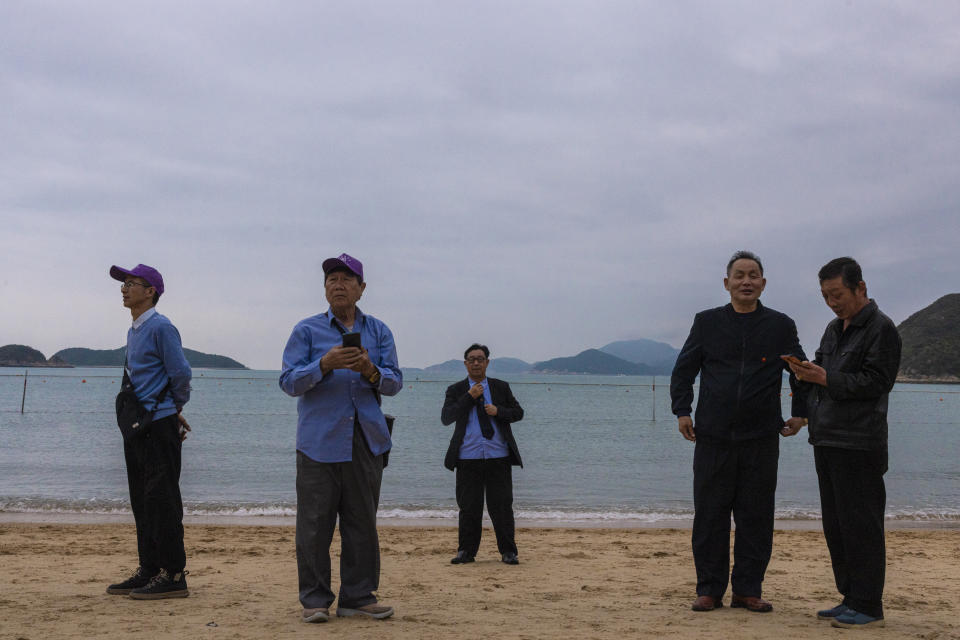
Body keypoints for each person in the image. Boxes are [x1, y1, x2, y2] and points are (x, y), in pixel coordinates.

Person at [670, 251, 807, 613]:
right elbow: (684, 370)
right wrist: (682, 410)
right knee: (711, 515)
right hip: (712, 436)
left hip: (761, 437)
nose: (746, 281)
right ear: (726, 282)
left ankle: (748, 589)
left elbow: (800, 371)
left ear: (763, 282)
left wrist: (801, 413)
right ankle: (710, 590)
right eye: (739, 275)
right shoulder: (707, 322)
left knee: (756, 516)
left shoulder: (780, 325)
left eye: (754, 275)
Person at [279, 253, 402, 623]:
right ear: (324, 288)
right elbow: (287, 382)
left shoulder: (379, 331)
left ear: (361, 289)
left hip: (366, 440)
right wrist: (324, 364)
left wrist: (369, 369)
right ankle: (315, 600)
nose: (338, 284)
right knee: (314, 526)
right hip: (318, 442)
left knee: (362, 523)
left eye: (347, 278)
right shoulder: (306, 330)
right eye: (332, 278)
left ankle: (358, 596)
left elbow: (395, 383)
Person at [786, 257, 901, 629]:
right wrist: (804, 372)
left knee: (862, 526)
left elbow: (876, 382)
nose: (832, 302)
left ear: (860, 288)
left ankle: (869, 604)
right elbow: (821, 369)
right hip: (827, 439)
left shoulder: (882, 329)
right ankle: (850, 596)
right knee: (836, 526)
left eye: (837, 294)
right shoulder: (834, 329)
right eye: (825, 296)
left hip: (860, 443)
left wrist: (825, 378)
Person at [106, 264, 192, 599]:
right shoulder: (134, 330)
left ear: (150, 290)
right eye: (123, 284)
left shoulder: (161, 327)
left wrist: (175, 410)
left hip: (159, 425)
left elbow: (181, 374)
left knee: (162, 500)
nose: (125, 288)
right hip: (139, 426)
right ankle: (150, 568)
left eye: (131, 283)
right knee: (141, 499)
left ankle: (173, 574)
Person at [441, 344, 525, 565]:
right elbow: (446, 417)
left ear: (487, 362)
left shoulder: (501, 387)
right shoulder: (456, 390)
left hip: (499, 456)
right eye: (472, 359)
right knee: (469, 507)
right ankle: (466, 552)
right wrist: (469, 397)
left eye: (480, 359)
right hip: (467, 457)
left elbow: (518, 413)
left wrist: (499, 411)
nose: (476, 363)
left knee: (502, 507)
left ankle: (508, 551)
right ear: (466, 363)